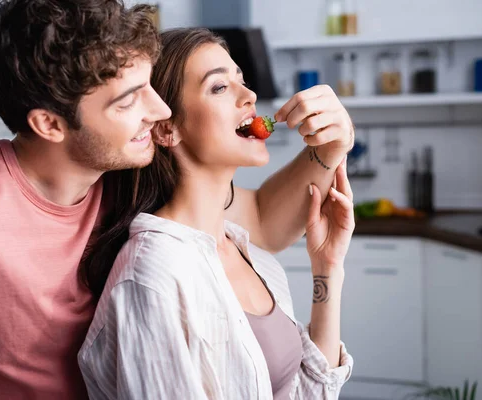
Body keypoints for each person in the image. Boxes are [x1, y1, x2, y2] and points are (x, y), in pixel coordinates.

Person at [0, 1, 352, 399]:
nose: (161, 109)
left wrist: (328, 151)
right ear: (49, 124)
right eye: (129, 101)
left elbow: (261, 220)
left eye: (149, 85)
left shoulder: (126, 179)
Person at [78, 28, 355, 400]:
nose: (251, 96)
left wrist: (327, 269)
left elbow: (307, 392)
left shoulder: (249, 254)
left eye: (241, 80)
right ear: (166, 128)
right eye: (219, 87)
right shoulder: (152, 275)